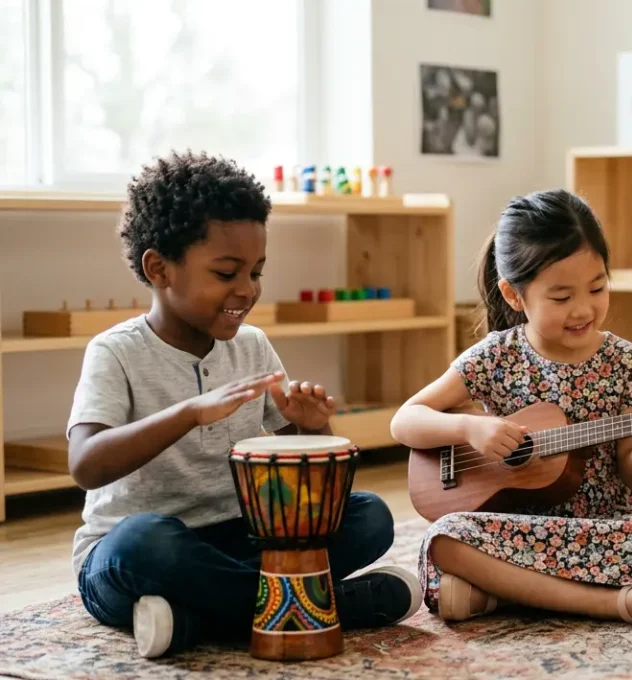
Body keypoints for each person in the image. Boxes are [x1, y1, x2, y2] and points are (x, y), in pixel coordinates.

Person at [69, 151, 420, 659]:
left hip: (241, 539)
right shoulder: (115, 352)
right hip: (133, 557)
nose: (247, 290)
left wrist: (309, 433)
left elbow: (286, 480)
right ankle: (331, 606)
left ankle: (197, 620)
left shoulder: (251, 345)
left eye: (256, 271)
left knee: (369, 516)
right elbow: (85, 464)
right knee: (144, 542)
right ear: (159, 268)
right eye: (227, 272)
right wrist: (189, 412)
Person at [390, 189, 632, 628]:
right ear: (514, 296)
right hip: (510, 523)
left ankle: (498, 593)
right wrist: (468, 431)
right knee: (444, 540)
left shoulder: (625, 361)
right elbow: (405, 421)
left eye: (597, 287)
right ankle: (618, 604)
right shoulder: (495, 356)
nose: (584, 309)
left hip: (599, 523)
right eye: (561, 297)